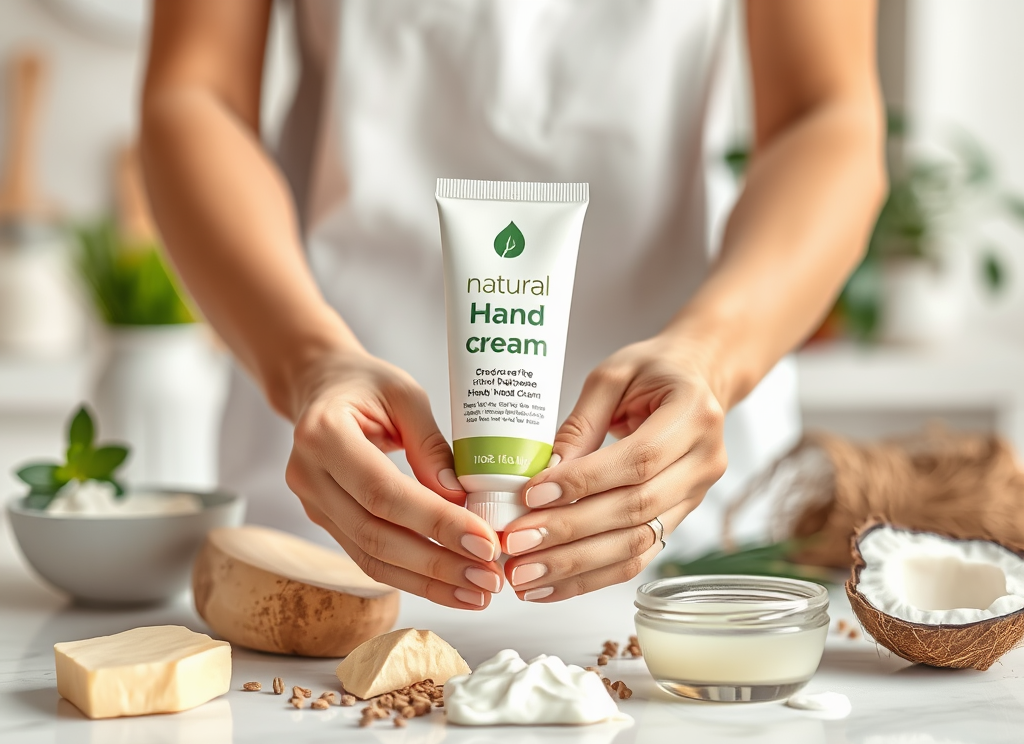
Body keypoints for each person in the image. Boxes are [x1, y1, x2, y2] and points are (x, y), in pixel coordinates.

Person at [140, 1, 884, 611]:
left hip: (674, 497)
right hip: (333, 493)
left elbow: (828, 116)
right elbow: (194, 95)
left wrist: (713, 355)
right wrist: (306, 361)